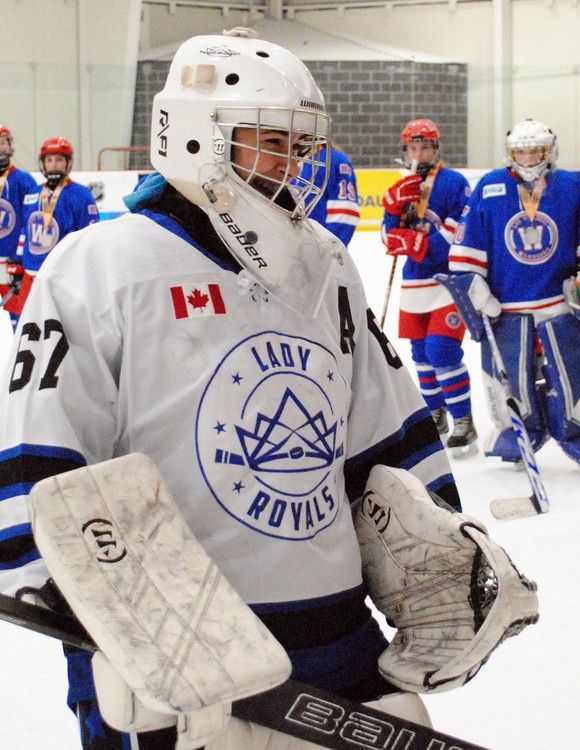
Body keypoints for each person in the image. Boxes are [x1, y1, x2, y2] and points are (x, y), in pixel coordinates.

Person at [0, 30, 533, 750]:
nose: (293, 165)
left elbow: (384, 431)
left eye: (299, 146)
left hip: (335, 635)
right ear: (195, 137)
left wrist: (436, 548)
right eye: (270, 142)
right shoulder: (99, 265)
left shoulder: (324, 262)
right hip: (178, 647)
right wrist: (106, 627)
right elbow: (38, 465)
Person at [446, 118, 580, 469]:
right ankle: (518, 431)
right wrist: (476, 289)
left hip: (560, 306)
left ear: (549, 151)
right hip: (508, 308)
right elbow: (465, 250)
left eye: (535, 151)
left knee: (577, 370)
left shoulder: (569, 186)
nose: (527, 158)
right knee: (512, 378)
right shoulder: (490, 186)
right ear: (510, 154)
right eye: (520, 152)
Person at [381, 118, 476, 454]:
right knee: (421, 355)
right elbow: (388, 239)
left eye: (424, 147)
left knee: (442, 350)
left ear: (436, 148)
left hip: (448, 281)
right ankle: (436, 414)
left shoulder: (454, 183)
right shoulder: (402, 184)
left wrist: (417, 244)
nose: (418, 153)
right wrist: (392, 211)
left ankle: (463, 419)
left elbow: (457, 235)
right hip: (415, 283)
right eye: (412, 147)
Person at [13, 136, 97, 326]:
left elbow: (90, 239)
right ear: (43, 163)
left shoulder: (81, 195)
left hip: (60, 278)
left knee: (59, 329)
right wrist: (18, 264)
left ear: (68, 163)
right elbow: (25, 231)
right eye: (49, 160)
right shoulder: (33, 192)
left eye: (59, 159)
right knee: (25, 328)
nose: (54, 165)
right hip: (31, 275)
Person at [0, 125, 39, 327]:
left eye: (3, 142)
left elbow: (30, 222)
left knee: (20, 317)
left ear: (10, 146)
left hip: (11, 263)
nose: (0, 147)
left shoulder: (24, 181)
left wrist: (21, 256)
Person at [299, 142, 360, 246]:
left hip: (318, 248)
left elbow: (345, 212)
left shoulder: (334, 160)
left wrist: (330, 249)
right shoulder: (291, 161)